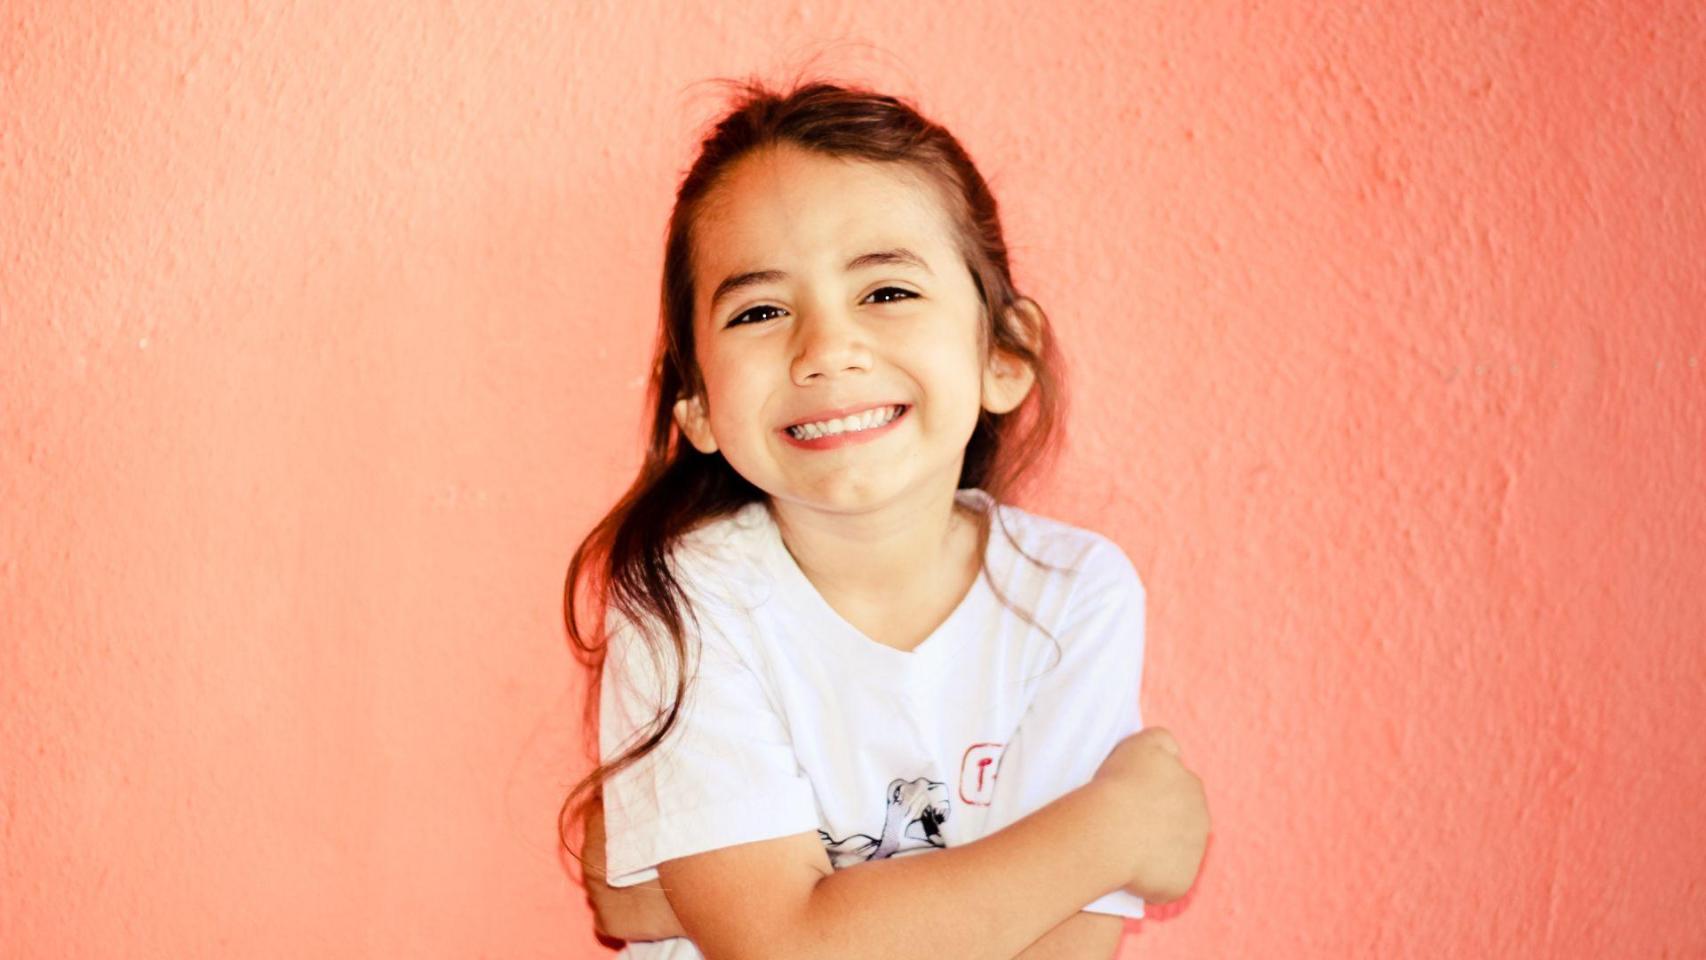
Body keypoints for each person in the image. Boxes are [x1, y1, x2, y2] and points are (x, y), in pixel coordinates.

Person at [559, 78, 1211, 959]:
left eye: (888, 292)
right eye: (760, 311)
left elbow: (1062, 944)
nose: (826, 349)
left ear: (1004, 354)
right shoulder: (683, 600)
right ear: (702, 408)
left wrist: (787, 899)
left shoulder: (1074, 596)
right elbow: (782, 946)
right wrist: (1118, 827)